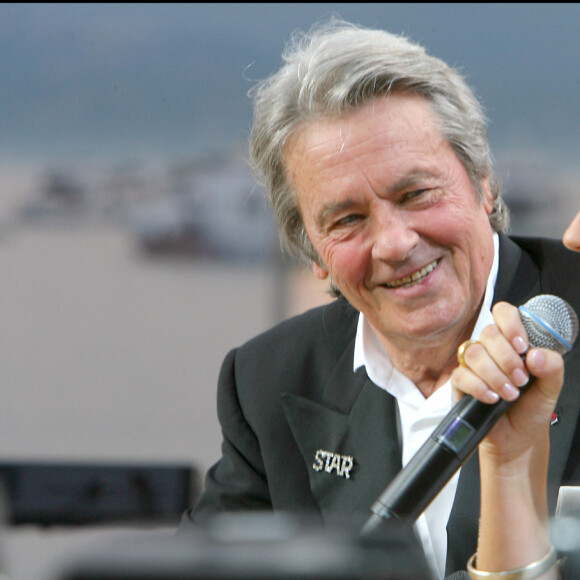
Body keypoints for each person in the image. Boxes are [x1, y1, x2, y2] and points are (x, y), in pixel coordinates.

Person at [181, 19, 580, 579]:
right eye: (347, 220)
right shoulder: (269, 378)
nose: (395, 243)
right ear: (313, 251)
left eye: (416, 193)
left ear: (483, 183)